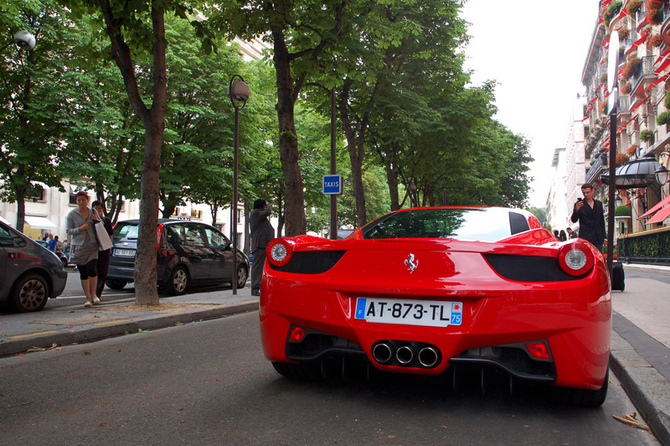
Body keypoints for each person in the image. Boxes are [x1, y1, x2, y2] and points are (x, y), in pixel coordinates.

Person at [66, 191, 100, 307]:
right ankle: (87, 297)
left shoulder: (92, 212)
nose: (81, 202)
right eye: (79, 200)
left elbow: (100, 226)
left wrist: (96, 220)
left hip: (92, 244)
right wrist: (79, 229)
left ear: (87, 200)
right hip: (79, 246)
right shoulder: (72, 214)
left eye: (83, 200)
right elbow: (68, 231)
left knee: (92, 269)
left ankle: (94, 295)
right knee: (83, 272)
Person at [249, 199, 275, 297]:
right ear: (261, 206)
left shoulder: (258, 215)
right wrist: (269, 204)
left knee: (263, 267)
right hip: (260, 245)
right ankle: (255, 288)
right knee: (258, 267)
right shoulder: (256, 213)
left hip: (264, 245)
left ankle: (261, 287)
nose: (265, 207)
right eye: (264, 205)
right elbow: (268, 211)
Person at [571, 182, 606, 252]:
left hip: (598, 237)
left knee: (598, 259)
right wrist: (576, 210)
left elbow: (601, 221)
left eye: (588, 192)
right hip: (586, 237)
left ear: (593, 191)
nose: (586, 195)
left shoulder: (598, 204)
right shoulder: (579, 205)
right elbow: (573, 219)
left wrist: (604, 237)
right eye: (584, 193)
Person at [92, 200, 114, 301]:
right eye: (95, 209)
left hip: (104, 250)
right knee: (93, 271)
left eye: (99, 209)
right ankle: (92, 293)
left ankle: (98, 293)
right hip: (93, 250)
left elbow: (110, 234)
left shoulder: (106, 221)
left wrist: (108, 246)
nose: (98, 211)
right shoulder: (90, 220)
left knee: (102, 272)